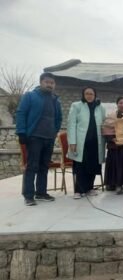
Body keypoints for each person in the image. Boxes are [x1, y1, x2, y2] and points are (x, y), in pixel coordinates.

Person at [15, 73, 62, 206]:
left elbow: (58, 119)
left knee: (44, 166)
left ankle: (41, 193)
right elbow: (21, 113)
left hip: (49, 138)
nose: (50, 85)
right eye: (47, 82)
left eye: (52, 83)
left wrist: (54, 131)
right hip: (34, 137)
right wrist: (21, 132)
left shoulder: (55, 100)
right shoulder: (30, 96)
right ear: (41, 82)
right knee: (32, 166)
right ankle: (28, 195)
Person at [67, 87, 106, 199]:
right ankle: (78, 190)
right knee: (80, 166)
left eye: (91, 94)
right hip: (81, 142)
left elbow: (104, 123)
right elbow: (71, 124)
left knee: (93, 165)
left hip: (96, 142)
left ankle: (89, 188)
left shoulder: (100, 107)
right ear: (83, 95)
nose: (89, 96)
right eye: (87, 93)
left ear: (95, 95)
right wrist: (72, 142)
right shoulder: (77, 106)